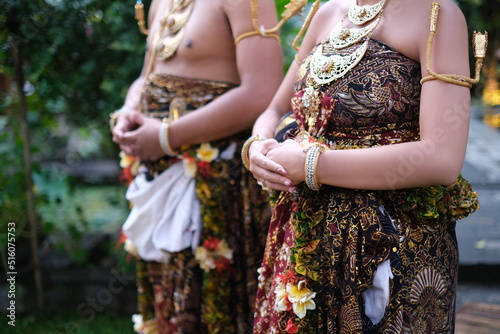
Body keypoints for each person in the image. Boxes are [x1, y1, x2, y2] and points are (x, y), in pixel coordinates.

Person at [244, 0, 484, 332]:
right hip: (306, 238)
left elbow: (441, 158)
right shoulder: (327, 11)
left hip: (392, 245)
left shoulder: (436, 13)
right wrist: (256, 147)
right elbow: (273, 110)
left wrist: (312, 165)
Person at [110, 0, 285, 333]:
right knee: (169, 301)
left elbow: (261, 92)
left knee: (219, 307)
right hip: (158, 177)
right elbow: (147, 76)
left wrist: (166, 137)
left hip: (220, 183)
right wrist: (127, 111)